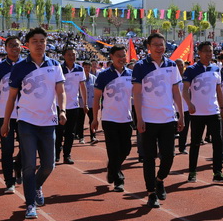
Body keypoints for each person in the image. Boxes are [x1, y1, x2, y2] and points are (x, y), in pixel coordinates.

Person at [0, 27, 67, 219]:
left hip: (48, 121)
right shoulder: (20, 67)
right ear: (27, 45)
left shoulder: (55, 65)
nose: (39, 44)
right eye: (34, 41)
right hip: (26, 121)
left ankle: (37, 185)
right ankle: (30, 204)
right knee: (29, 164)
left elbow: (61, 91)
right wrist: (6, 121)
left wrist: (62, 110)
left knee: (48, 165)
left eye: (42, 41)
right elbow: (11, 97)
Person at [132, 33, 185, 208]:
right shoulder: (140, 66)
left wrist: (181, 114)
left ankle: (160, 179)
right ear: (148, 47)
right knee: (149, 158)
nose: (159, 47)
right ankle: (151, 193)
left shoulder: (172, 65)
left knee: (169, 156)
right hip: (148, 119)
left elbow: (176, 92)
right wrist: (139, 118)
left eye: (161, 44)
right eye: (155, 44)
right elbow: (137, 94)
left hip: (168, 118)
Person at [182, 41, 223, 183]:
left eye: (211, 51)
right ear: (199, 53)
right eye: (206, 51)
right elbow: (185, 90)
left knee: (218, 143)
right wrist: (189, 104)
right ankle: (192, 172)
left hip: (213, 112)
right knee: (195, 143)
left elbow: (219, 90)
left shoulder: (216, 69)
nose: (209, 54)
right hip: (197, 113)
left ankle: (217, 172)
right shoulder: (191, 70)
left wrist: (222, 108)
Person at [92, 45, 133, 192]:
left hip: (126, 118)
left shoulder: (131, 74)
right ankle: (118, 179)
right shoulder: (103, 75)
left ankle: (112, 168)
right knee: (114, 150)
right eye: (118, 56)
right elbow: (96, 98)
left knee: (126, 149)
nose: (122, 58)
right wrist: (95, 118)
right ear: (112, 57)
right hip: (109, 119)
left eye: (123, 55)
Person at [0, 35, 22, 193]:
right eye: (11, 45)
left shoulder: (27, 65)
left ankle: (18, 165)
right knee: (7, 149)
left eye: (17, 45)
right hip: (4, 114)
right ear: (6, 48)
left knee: (27, 147)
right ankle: (9, 181)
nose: (15, 48)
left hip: (25, 113)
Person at [56, 47, 87, 164]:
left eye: (73, 54)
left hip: (74, 106)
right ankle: (56, 154)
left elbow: (82, 87)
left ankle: (67, 155)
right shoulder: (59, 68)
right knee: (58, 132)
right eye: (69, 54)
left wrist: (85, 103)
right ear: (64, 56)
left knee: (70, 133)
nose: (71, 57)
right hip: (59, 106)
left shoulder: (79, 69)